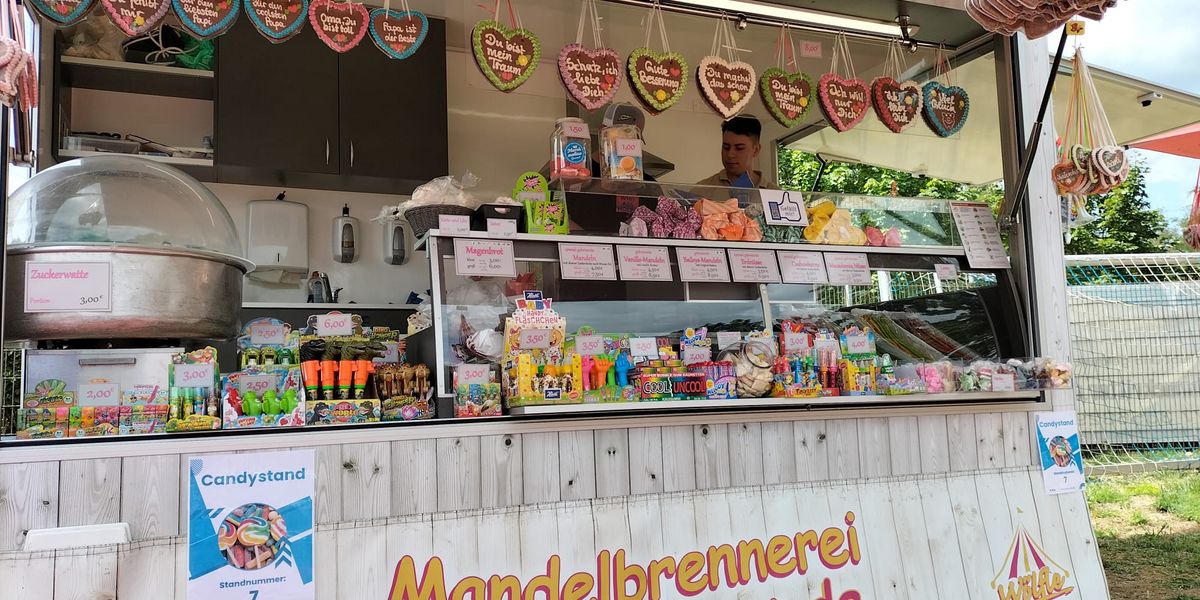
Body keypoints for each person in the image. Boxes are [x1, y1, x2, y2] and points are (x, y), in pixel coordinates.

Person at [696, 115, 777, 189]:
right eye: (726, 147)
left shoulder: (776, 194)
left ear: (756, 150)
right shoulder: (701, 190)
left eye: (739, 148)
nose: (730, 155)